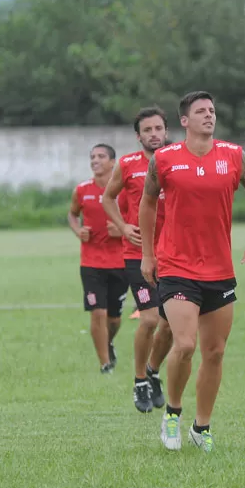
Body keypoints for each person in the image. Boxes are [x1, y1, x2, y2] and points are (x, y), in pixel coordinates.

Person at [139, 91, 245, 452]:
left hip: (219, 269)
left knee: (215, 352)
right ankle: (173, 415)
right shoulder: (164, 160)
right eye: (201, 111)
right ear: (185, 121)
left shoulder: (233, 156)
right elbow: (148, 203)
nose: (209, 116)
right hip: (177, 266)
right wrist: (147, 255)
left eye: (212, 110)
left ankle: (202, 427)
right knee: (184, 344)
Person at [102, 108, 175, 413]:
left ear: (167, 131)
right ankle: (139, 381)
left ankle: (155, 371)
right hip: (137, 255)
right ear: (139, 136)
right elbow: (107, 198)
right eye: (148, 130)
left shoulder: (178, 162)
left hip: (174, 254)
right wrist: (122, 227)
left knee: (172, 324)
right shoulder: (128, 164)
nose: (154, 134)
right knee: (149, 318)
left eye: (159, 128)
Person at [69, 144, 129, 374]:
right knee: (98, 312)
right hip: (91, 264)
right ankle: (105, 365)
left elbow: (136, 218)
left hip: (121, 263)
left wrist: (121, 229)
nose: (95, 160)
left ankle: (109, 342)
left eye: (101, 156)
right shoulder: (82, 190)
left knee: (113, 319)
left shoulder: (123, 192)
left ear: (113, 162)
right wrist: (77, 230)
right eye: (92, 156)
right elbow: (73, 214)